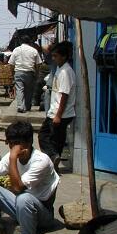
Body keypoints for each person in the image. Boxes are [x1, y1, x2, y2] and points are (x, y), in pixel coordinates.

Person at [39, 42, 75, 172]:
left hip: (60, 113)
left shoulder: (66, 71)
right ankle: (54, 162)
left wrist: (58, 115)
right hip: (55, 112)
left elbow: (64, 95)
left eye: (55, 56)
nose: (53, 59)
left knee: (49, 138)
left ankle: (54, 161)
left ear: (64, 56)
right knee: (51, 138)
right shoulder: (60, 69)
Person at [9, 36, 42, 113]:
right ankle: (27, 106)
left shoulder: (16, 50)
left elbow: (11, 64)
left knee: (19, 89)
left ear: (21, 42)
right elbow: (38, 64)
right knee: (29, 91)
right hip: (30, 73)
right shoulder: (34, 50)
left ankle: (20, 106)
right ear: (30, 42)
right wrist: (37, 73)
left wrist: (13, 73)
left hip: (18, 72)